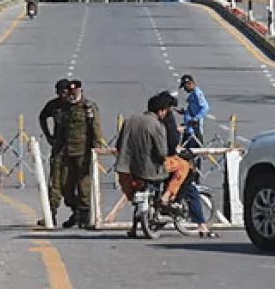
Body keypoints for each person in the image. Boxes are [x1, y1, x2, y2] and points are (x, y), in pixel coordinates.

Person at [156, 92, 216, 237]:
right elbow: (172, 142)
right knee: (189, 183)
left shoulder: (153, 119)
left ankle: (200, 223)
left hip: (155, 161)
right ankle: (200, 223)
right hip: (167, 160)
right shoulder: (167, 119)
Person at [115, 93, 173, 238]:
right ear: (160, 111)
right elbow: (162, 151)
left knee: (136, 197)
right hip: (150, 170)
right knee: (157, 188)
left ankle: (134, 227)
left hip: (127, 168)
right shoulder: (157, 125)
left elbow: (119, 145)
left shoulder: (129, 121)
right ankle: (160, 208)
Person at [58, 79, 106, 228]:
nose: (72, 95)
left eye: (75, 92)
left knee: (84, 185)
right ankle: (75, 210)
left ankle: (84, 214)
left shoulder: (88, 107)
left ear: (81, 91)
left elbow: (96, 128)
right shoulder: (65, 107)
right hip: (66, 151)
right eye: (70, 93)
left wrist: (97, 148)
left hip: (83, 152)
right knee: (65, 184)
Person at [37, 79, 71, 227]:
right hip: (58, 147)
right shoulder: (54, 105)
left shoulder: (76, 106)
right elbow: (42, 117)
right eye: (59, 92)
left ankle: (80, 213)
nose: (62, 95)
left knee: (73, 181)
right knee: (55, 181)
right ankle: (51, 214)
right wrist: (48, 135)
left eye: (64, 92)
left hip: (76, 149)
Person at [180, 74, 209, 147]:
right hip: (188, 128)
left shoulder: (197, 93)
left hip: (195, 130)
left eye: (185, 86)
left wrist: (196, 118)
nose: (184, 89)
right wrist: (185, 112)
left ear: (191, 83)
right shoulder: (192, 93)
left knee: (194, 150)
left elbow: (205, 107)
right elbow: (193, 108)